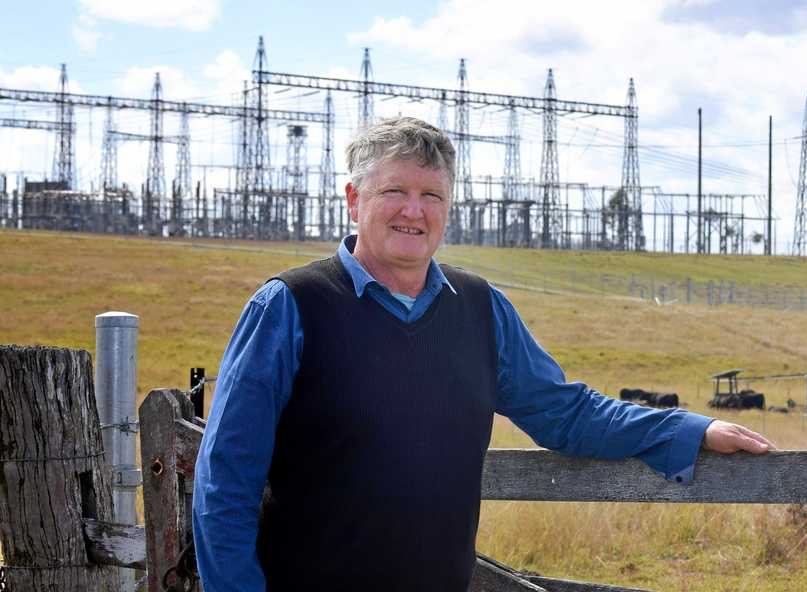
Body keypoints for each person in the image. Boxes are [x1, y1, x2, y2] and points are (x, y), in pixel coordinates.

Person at [193, 117, 773, 592]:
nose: (413, 211)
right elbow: (226, 481)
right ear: (353, 199)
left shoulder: (479, 309)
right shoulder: (291, 307)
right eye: (394, 191)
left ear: (449, 207)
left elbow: (566, 413)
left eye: (431, 195)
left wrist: (688, 428)